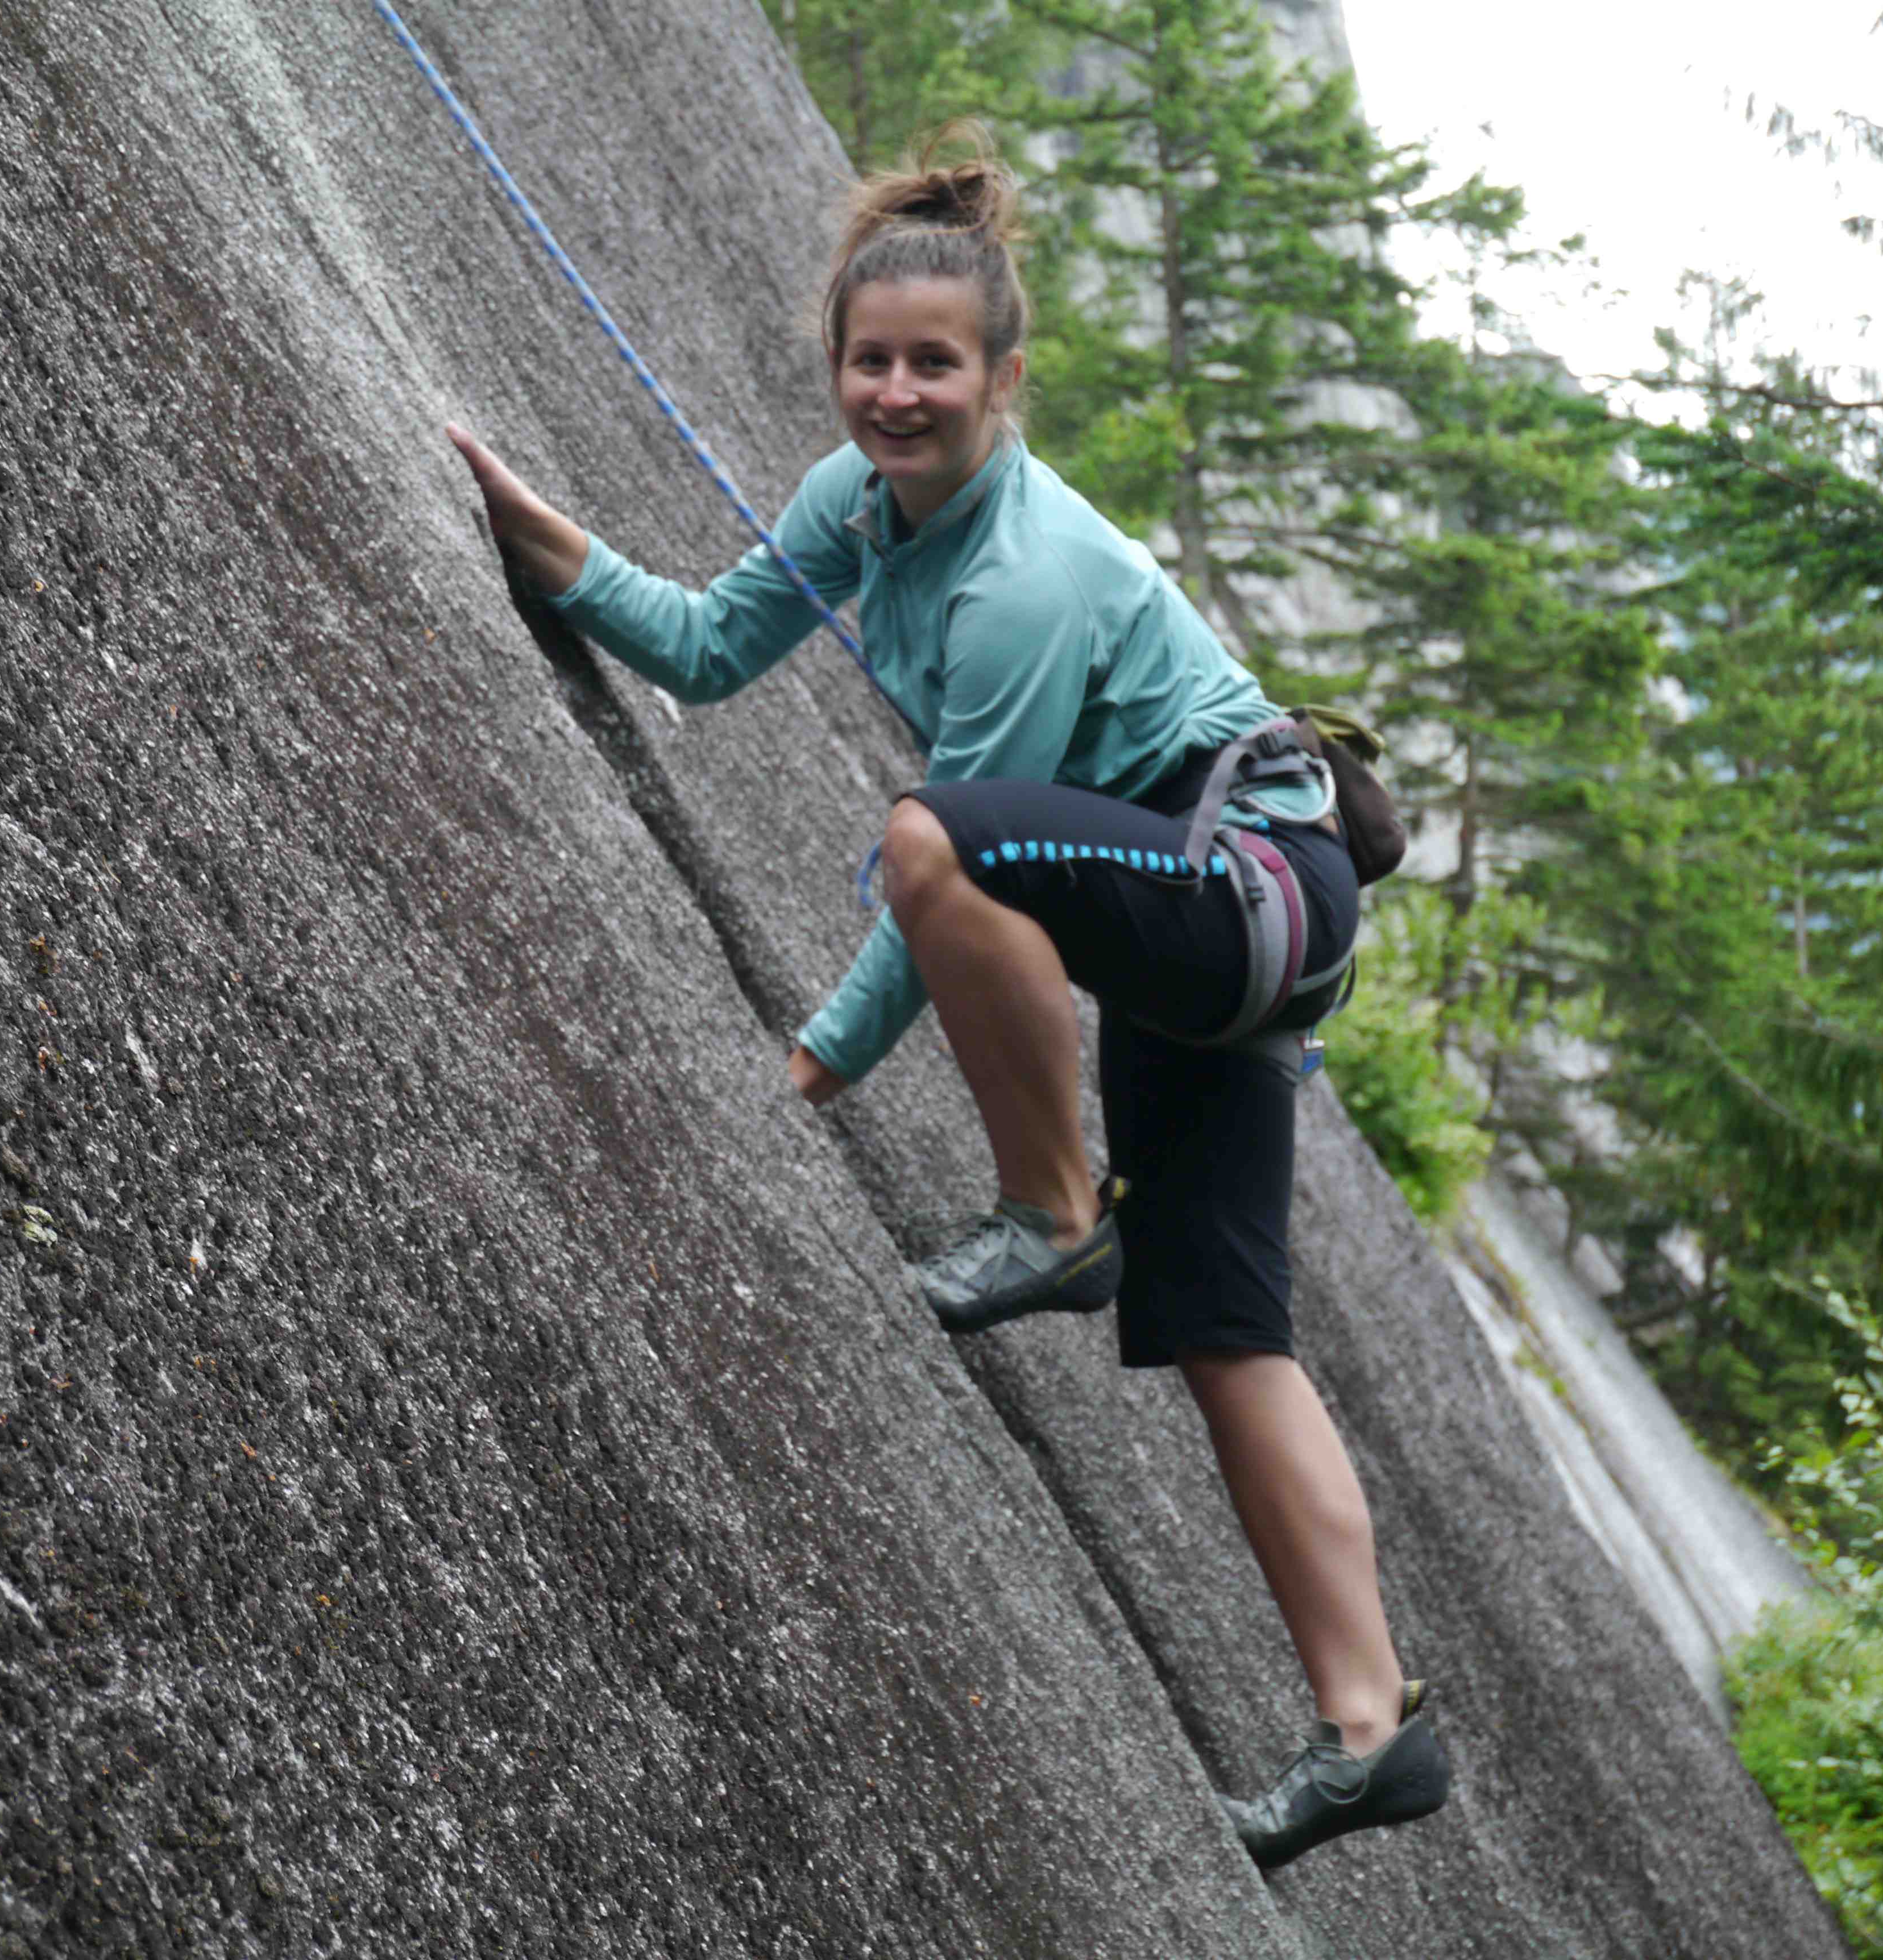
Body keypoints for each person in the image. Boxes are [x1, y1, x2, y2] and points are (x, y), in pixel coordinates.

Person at [444, 123, 1447, 1870]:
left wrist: (812, 1071)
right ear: (840, 361)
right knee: (1230, 1331)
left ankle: (1056, 1217)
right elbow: (703, 646)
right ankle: (1376, 1730)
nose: (896, 394)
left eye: (935, 366)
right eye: (870, 360)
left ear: (1001, 380)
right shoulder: (858, 502)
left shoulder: (1025, 582)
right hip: (1182, 921)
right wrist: (538, 534)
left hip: (1250, 887)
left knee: (935, 841)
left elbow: (952, 878)